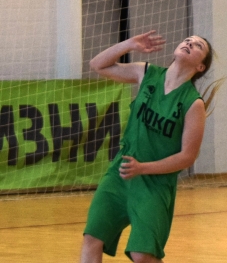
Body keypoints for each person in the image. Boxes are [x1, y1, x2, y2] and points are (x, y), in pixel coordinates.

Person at [80, 31, 218, 263]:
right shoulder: (146, 73)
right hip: (121, 172)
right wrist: (129, 44)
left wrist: (143, 168)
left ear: (200, 67)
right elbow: (97, 65)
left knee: (142, 255)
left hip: (155, 184)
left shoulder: (193, 103)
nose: (189, 43)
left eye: (198, 46)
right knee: (92, 237)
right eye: (188, 40)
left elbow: (187, 157)